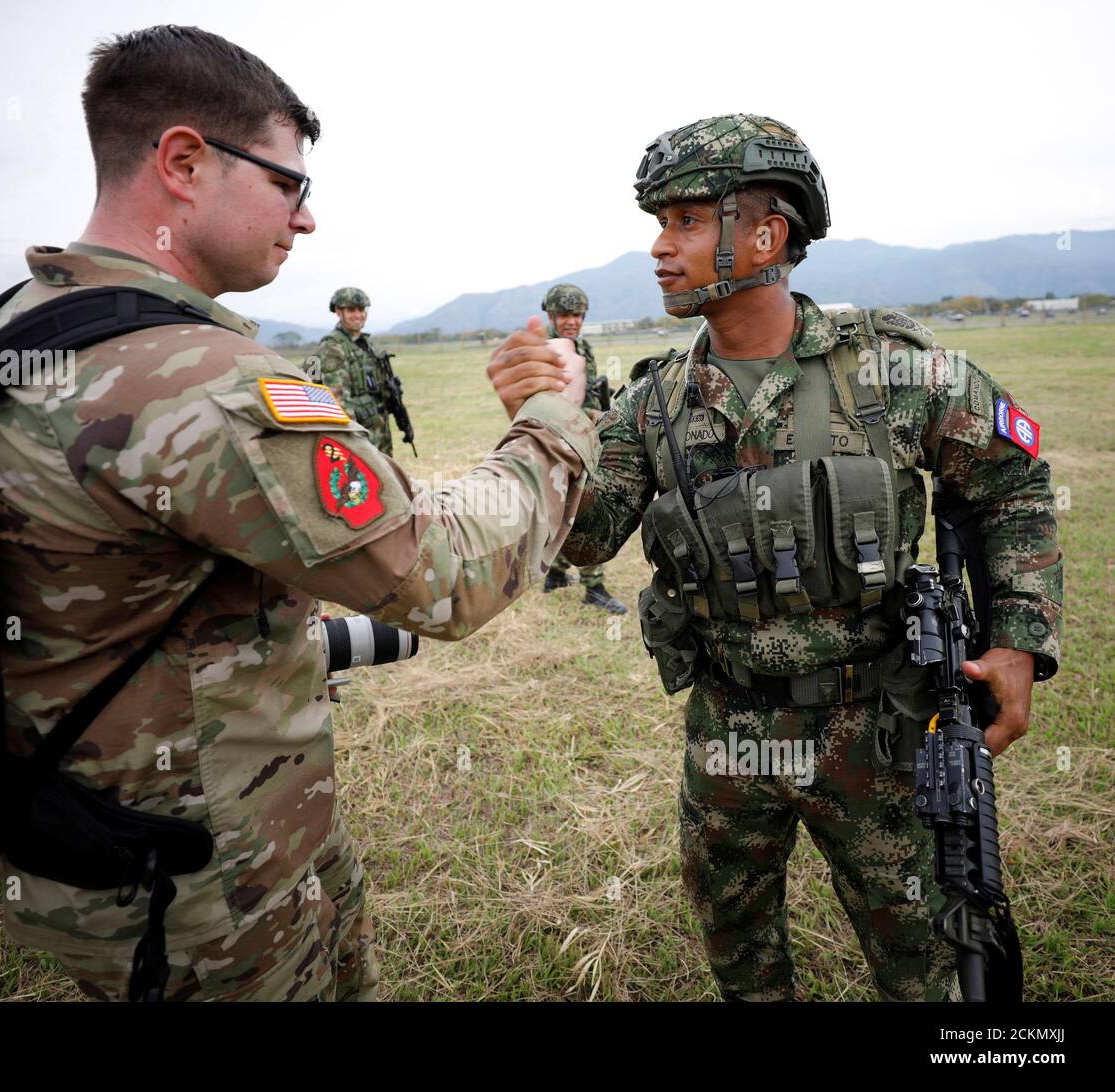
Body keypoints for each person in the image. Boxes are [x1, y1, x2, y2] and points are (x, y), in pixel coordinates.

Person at [0, 24, 596, 1002]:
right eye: (288, 183)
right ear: (183, 162)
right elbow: (448, 576)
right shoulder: (192, 379)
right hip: (208, 888)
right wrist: (552, 418)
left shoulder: (12, 323)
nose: (305, 220)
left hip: (101, 842)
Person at [490, 114, 1063, 1001]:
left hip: (877, 728)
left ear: (766, 234)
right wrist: (543, 420)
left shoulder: (893, 372)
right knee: (741, 956)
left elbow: (1012, 485)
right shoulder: (653, 405)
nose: (658, 246)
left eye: (685, 221)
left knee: (930, 966)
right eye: (659, 222)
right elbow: (587, 537)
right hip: (728, 732)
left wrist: (1020, 641)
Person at [540, 283, 626, 614]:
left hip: (584, 439)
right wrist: (598, 416)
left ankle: (556, 573)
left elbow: (586, 392)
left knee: (570, 512)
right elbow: (553, 405)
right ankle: (595, 588)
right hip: (561, 441)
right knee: (587, 512)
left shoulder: (581, 346)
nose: (571, 321)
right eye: (564, 315)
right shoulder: (548, 350)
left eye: (577, 315)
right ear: (550, 315)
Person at [315, 287, 395, 455]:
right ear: (338, 311)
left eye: (361, 309)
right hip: (359, 435)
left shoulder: (366, 344)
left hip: (378, 430)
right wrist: (354, 439)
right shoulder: (333, 346)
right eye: (351, 310)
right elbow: (337, 398)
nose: (358, 315)